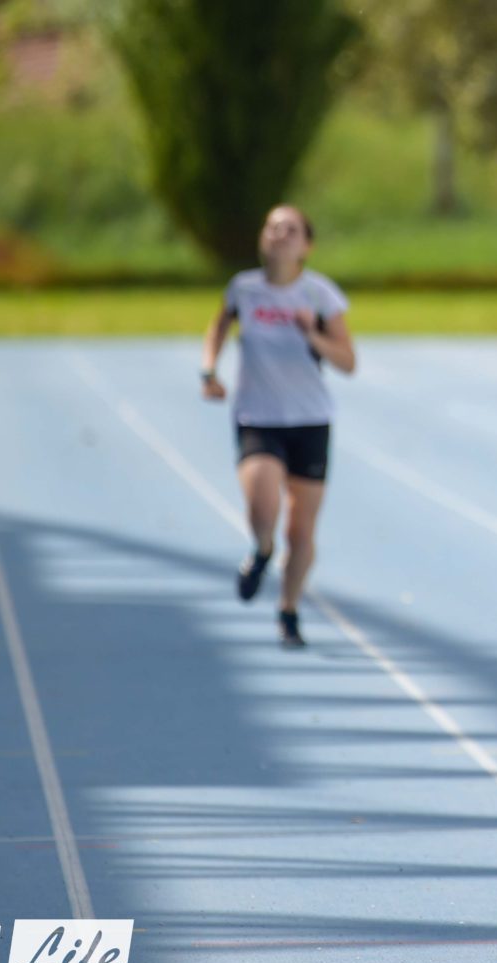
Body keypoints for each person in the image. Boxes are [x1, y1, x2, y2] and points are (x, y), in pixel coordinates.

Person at [200, 205, 356, 648]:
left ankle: (288, 610)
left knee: (301, 533)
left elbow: (348, 362)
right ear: (261, 238)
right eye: (272, 228)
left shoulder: (319, 295)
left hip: (310, 419)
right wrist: (209, 370)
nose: (279, 235)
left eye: (290, 230)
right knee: (263, 509)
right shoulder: (244, 289)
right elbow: (218, 328)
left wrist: (313, 336)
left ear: (306, 245)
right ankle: (263, 549)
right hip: (258, 417)